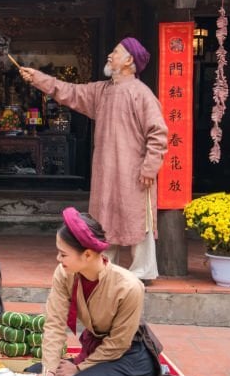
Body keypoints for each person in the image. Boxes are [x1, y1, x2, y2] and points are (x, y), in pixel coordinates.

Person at [19, 37, 167, 281]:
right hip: (106, 170)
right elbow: (69, 91)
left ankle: (143, 272)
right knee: (105, 219)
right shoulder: (102, 91)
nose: (110, 55)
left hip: (135, 171)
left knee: (138, 220)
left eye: (116, 52)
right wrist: (38, 78)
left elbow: (158, 133)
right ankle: (106, 269)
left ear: (130, 61)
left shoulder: (141, 94)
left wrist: (150, 168)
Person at [30, 208, 186, 376]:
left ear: (86, 255)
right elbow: (55, 323)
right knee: (34, 375)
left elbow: (118, 344)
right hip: (98, 350)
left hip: (129, 357)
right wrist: (48, 370)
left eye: (63, 254)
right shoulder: (64, 273)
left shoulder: (129, 286)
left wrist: (80, 368)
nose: (58, 258)